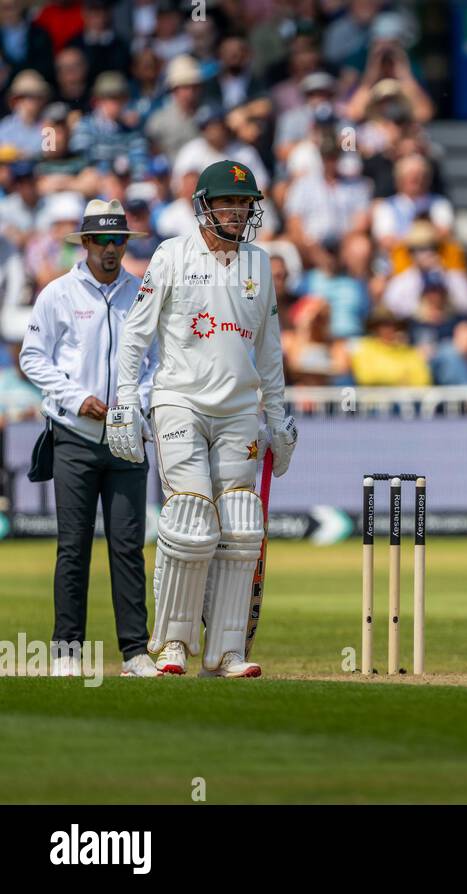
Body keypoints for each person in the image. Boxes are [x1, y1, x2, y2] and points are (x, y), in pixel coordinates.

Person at [110, 159, 298, 678]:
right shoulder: (172, 255)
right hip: (180, 401)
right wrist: (126, 399)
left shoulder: (260, 263)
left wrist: (279, 419)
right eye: (229, 203)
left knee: (240, 526)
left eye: (245, 204)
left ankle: (225, 652)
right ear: (204, 206)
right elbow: (136, 333)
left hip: (239, 408)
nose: (239, 212)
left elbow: (270, 350)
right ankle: (172, 645)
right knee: (191, 520)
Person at [18, 199, 159, 678]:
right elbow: (33, 357)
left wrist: (132, 401)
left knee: (127, 545)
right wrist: (78, 399)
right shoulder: (58, 293)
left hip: (126, 438)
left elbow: (157, 363)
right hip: (74, 437)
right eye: (103, 240)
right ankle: (66, 651)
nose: (112, 249)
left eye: (119, 240)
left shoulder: (140, 292)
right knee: (73, 546)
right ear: (85, 244)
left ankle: (136, 651)